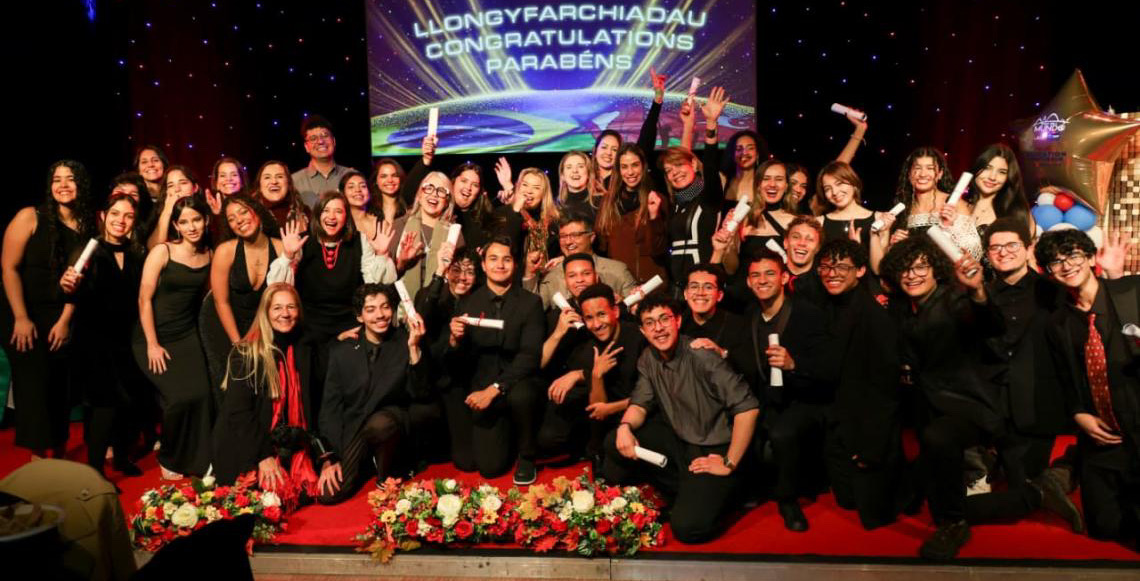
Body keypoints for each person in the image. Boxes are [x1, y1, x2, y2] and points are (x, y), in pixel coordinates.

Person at [881, 236, 1077, 560]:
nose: (912, 275)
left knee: (939, 444)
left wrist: (978, 292)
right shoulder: (903, 309)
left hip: (969, 406)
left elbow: (990, 323)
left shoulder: (955, 301)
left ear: (936, 270)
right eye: (905, 269)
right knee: (903, 500)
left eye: (920, 267)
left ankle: (957, 524)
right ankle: (1036, 491)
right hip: (926, 408)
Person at [604, 293, 759, 543]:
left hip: (715, 448)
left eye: (664, 319)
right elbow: (640, 403)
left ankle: (732, 490)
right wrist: (624, 426)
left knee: (688, 528)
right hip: (680, 441)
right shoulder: (648, 358)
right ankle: (687, 489)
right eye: (650, 322)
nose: (659, 328)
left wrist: (729, 461)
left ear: (677, 320)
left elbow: (748, 408)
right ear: (643, 330)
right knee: (615, 441)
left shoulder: (701, 354)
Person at [1037, 229, 1139, 547]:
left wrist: (1117, 277)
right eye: (1056, 261)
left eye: (1074, 255)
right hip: (1102, 433)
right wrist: (1078, 413)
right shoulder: (1058, 323)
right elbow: (1065, 380)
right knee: (1103, 528)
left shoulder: (1130, 292)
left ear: (1091, 257)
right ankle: (1069, 469)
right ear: (1048, 272)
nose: (1067, 265)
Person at [2, 160, 94, 457]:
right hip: (24, 315)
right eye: (57, 179)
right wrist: (21, 317)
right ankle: (38, 467)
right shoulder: (30, 216)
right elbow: (9, 268)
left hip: (63, 315)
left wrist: (65, 320)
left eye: (70, 179)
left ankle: (60, 458)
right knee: (35, 393)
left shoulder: (87, 226)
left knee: (60, 391)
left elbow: (82, 282)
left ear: (81, 185)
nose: (63, 185)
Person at [742, 248, 836, 532]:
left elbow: (827, 368)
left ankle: (788, 499)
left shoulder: (808, 314)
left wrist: (794, 364)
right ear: (748, 282)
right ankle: (753, 488)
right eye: (755, 275)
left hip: (805, 399)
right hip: (765, 398)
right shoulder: (750, 314)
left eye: (769, 273)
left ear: (784, 277)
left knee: (783, 432)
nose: (762, 280)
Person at [283, 191, 396, 424]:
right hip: (311, 328)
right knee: (312, 382)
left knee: (348, 385)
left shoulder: (359, 241)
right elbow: (279, 286)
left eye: (339, 211)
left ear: (347, 217)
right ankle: (315, 440)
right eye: (326, 210)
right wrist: (287, 255)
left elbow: (375, 284)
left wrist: (383, 254)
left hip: (348, 324)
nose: (332, 216)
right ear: (318, 214)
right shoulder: (303, 241)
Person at [815, 239, 905, 529]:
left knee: (874, 512)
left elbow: (886, 389)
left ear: (862, 270)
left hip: (869, 425)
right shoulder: (830, 306)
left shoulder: (874, 317)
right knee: (846, 500)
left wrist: (871, 446)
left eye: (842, 266)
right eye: (826, 266)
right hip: (839, 415)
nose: (832, 273)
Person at [317, 284, 434, 504]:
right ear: (359, 316)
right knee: (328, 495)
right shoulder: (342, 351)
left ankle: (387, 472)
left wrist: (414, 348)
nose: (380, 315)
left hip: (392, 425)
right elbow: (330, 407)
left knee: (380, 423)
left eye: (385, 307)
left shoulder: (404, 342)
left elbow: (422, 393)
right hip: (355, 428)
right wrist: (329, 458)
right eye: (370, 309)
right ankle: (367, 463)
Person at [59, 194, 149, 477]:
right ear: (103, 216)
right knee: (104, 407)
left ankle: (121, 459)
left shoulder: (137, 253)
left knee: (128, 404)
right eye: (115, 214)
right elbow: (69, 286)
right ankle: (95, 472)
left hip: (127, 341)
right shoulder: (89, 249)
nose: (120, 221)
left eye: (128, 216)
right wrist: (67, 284)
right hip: (94, 342)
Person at [443, 236, 545, 484]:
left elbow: (530, 357)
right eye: (494, 259)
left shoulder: (531, 303)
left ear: (515, 264)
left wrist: (495, 389)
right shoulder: (468, 302)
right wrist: (455, 341)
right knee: (488, 467)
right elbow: (459, 362)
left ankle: (527, 454)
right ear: (484, 265)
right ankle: (505, 434)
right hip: (482, 387)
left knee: (522, 394)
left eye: (507, 259)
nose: (500, 265)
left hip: (517, 384)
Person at [213, 284, 322, 508]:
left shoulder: (305, 347)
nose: (285, 314)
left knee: (305, 495)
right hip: (249, 443)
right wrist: (263, 457)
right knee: (267, 504)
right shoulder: (246, 353)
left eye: (291, 307)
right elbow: (240, 414)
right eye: (277, 308)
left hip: (285, 439)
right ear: (265, 312)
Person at [132, 196, 214, 479]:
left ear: (205, 220)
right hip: (151, 335)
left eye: (197, 219)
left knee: (203, 395)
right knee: (178, 398)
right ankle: (169, 456)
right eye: (184, 221)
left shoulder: (210, 254)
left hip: (187, 334)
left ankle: (200, 459)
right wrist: (153, 344)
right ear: (176, 225)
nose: (191, 226)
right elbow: (144, 298)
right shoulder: (162, 251)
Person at [538, 282, 644, 466]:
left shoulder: (638, 337)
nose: (596, 324)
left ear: (616, 312)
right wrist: (594, 375)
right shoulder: (586, 344)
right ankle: (586, 445)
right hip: (602, 409)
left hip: (637, 410)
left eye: (602, 314)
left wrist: (580, 375)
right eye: (589, 318)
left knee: (614, 470)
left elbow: (651, 396)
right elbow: (598, 407)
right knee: (547, 439)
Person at [201, 194, 289, 386]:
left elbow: (287, 299)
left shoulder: (283, 248)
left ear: (257, 212)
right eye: (231, 218)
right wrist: (238, 343)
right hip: (228, 327)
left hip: (267, 329)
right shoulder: (226, 251)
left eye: (243, 212)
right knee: (236, 388)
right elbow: (220, 301)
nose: (239, 220)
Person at [658, 87, 730, 291]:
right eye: (668, 170)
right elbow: (683, 158)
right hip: (678, 290)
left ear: (694, 165)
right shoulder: (678, 204)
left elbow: (709, 165)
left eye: (679, 166)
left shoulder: (708, 197)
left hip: (703, 286)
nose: (674, 173)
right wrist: (688, 125)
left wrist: (711, 123)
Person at [595, 143, 669, 284]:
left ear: (643, 166)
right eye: (624, 167)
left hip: (650, 285)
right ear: (618, 169)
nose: (630, 172)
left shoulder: (657, 199)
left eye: (635, 165)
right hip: (619, 286)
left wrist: (654, 217)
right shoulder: (608, 203)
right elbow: (601, 249)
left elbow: (658, 248)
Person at [529, 214, 638, 309]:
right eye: (563, 236)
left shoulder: (617, 270)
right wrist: (529, 275)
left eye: (575, 235)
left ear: (591, 237)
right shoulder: (552, 275)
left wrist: (622, 303)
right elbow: (533, 311)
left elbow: (637, 310)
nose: (568, 242)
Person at [890, 147, 982, 260]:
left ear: (940, 174)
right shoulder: (903, 207)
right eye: (917, 168)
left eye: (930, 168)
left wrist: (951, 227)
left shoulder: (953, 203)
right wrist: (895, 245)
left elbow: (974, 252)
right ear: (909, 175)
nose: (923, 174)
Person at [389, 171, 464, 297]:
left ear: (447, 201)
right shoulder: (400, 225)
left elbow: (458, 280)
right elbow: (385, 277)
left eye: (441, 191)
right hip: (403, 305)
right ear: (420, 194)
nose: (434, 194)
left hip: (440, 306)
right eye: (429, 188)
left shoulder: (454, 234)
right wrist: (401, 263)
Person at [679, 263, 751, 376]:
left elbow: (749, 371)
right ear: (685, 294)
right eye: (694, 286)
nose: (700, 293)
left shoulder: (739, 326)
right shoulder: (677, 326)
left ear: (719, 295)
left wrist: (722, 353)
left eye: (708, 287)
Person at [966, 144, 1032, 236]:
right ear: (977, 167)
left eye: (1002, 172)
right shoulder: (958, 204)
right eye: (987, 168)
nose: (992, 177)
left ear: (1008, 177)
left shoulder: (1017, 212)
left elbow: (1027, 248)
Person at [291, 115, 355, 207]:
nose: (320, 141)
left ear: (334, 141)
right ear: (306, 147)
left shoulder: (351, 176)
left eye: (325, 135)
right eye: (313, 138)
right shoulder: (295, 182)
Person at [146, 165, 200, 249]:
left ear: (195, 188)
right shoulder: (157, 213)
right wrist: (167, 211)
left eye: (183, 183)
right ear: (166, 191)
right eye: (171, 185)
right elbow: (153, 248)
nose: (177, 189)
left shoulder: (205, 210)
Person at [253, 160, 308, 237]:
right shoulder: (249, 213)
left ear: (288, 183)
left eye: (279, 176)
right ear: (259, 185)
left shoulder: (304, 211)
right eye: (267, 177)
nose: (274, 181)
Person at [782, 216, 827, 306]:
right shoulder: (773, 278)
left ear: (818, 248)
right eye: (796, 237)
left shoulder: (825, 284)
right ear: (786, 242)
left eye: (810, 239)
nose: (802, 243)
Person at [720, 130, 768, 205]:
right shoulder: (723, 180)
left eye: (750, 148)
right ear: (732, 154)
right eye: (739, 149)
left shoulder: (764, 184)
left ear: (758, 153)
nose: (744, 152)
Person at [556, 151, 603, 225]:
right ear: (562, 176)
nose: (575, 171)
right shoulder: (556, 206)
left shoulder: (602, 202)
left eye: (580, 166)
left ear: (588, 173)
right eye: (569, 167)